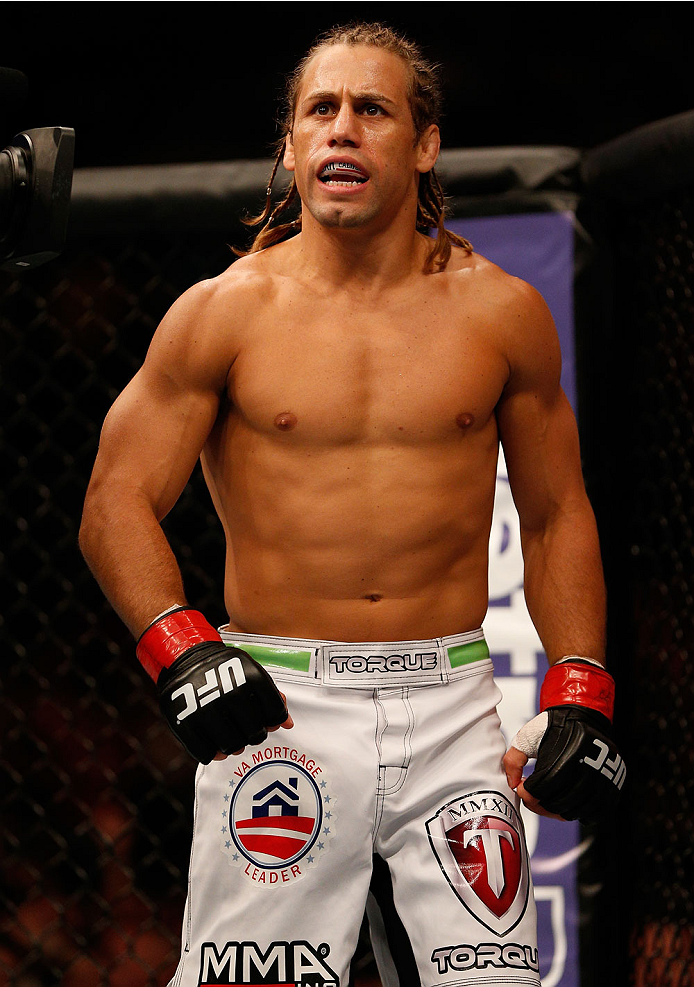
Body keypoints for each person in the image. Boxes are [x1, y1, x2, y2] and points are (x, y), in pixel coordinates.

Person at [79, 21, 624, 987]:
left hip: (454, 703)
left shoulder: (501, 312)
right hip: (278, 708)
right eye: (318, 111)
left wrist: (581, 684)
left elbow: (554, 513)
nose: (341, 130)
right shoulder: (225, 311)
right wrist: (183, 648)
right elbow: (115, 498)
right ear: (290, 149)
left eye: (371, 109)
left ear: (423, 145)